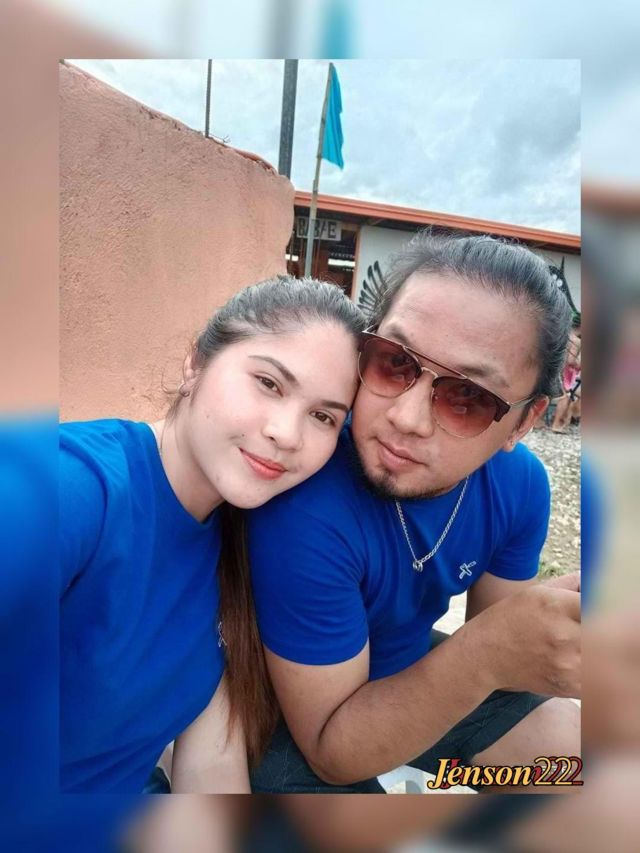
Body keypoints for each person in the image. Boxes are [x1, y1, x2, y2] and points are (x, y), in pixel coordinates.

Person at [247, 232, 581, 793]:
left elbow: (505, 658)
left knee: (575, 758)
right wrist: (488, 654)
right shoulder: (305, 498)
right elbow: (332, 749)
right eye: (394, 362)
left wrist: (547, 634)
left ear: (524, 422)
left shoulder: (519, 486)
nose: (405, 417)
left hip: (412, 671)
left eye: (467, 397)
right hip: (294, 712)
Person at [59, 275, 365, 793]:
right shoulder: (77, 487)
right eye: (269, 383)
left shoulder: (244, 545)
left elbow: (212, 763)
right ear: (195, 363)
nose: (286, 434)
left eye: (322, 416)